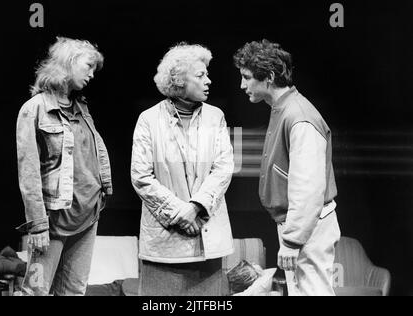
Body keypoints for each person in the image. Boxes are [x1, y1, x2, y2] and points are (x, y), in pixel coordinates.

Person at [233, 39, 341, 296]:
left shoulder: (298, 115)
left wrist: (292, 240)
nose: (242, 84)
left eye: (247, 77)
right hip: (301, 225)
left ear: (269, 77)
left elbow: (309, 187)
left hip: (309, 226)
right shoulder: (284, 109)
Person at [131, 43, 235, 296]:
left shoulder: (216, 116)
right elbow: (141, 177)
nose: (208, 81)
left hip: (207, 239)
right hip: (165, 244)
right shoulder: (149, 119)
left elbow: (223, 168)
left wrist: (196, 207)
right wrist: (180, 214)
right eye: (200, 76)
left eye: (207, 74)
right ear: (177, 81)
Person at [16, 37, 112, 296]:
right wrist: (37, 224)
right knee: (35, 291)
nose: (92, 74)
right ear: (69, 63)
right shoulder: (34, 109)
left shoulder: (82, 107)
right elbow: (28, 172)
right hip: (53, 220)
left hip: (88, 216)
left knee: (74, 291)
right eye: (88, 66)